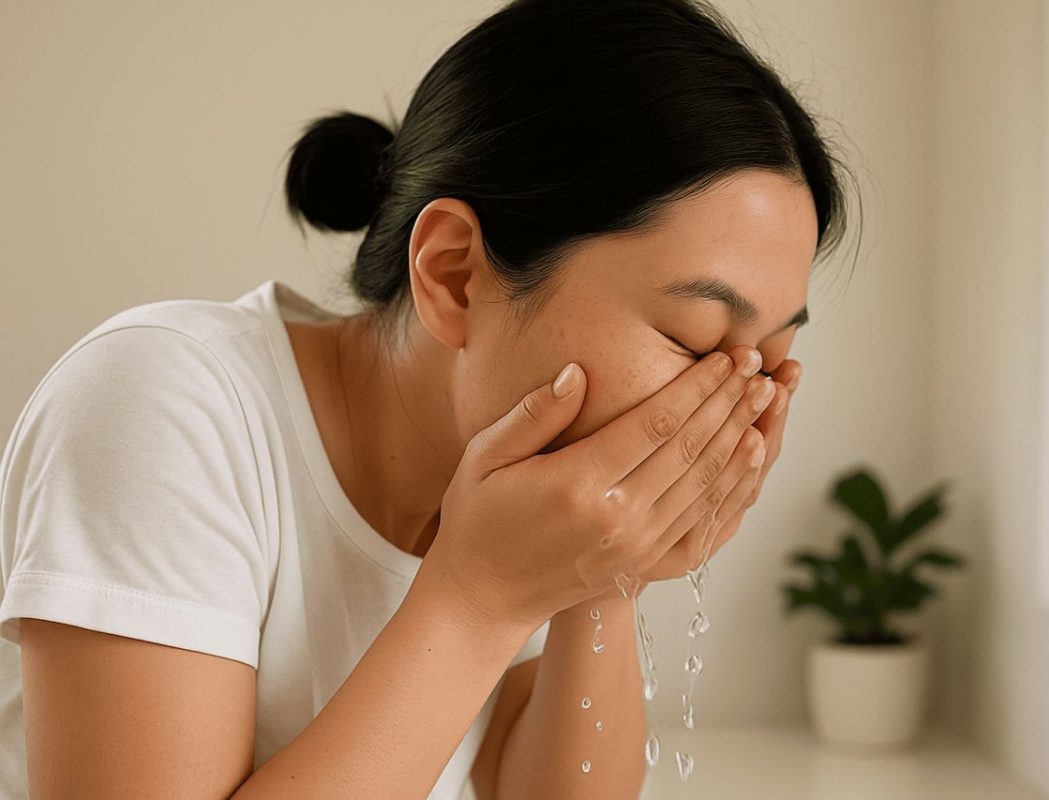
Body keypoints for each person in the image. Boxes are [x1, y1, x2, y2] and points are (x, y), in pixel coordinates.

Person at [0, 0, 856, 797]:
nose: (736, 404)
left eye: (775, 357)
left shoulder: (522, 482)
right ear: (453, 274)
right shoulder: (160, 402)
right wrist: (476, 600)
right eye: (697, 341)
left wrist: (612, 572)